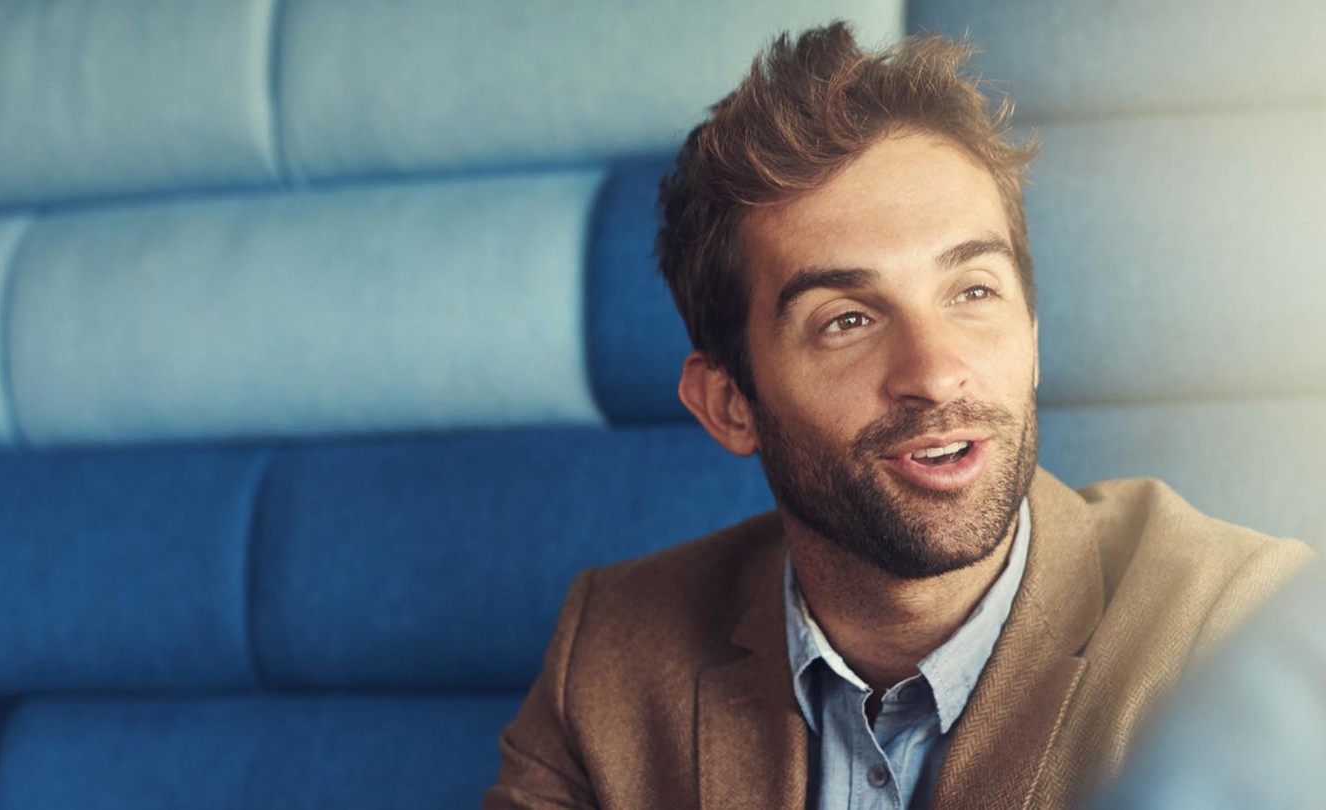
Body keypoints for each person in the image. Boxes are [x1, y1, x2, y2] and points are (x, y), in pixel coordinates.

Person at [483, 21, 1315, 810]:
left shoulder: (1242, 634)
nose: (935, 372)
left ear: (1032, 334)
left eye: (973, 291)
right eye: (847, 319)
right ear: (730, 405)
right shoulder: (611, 650)